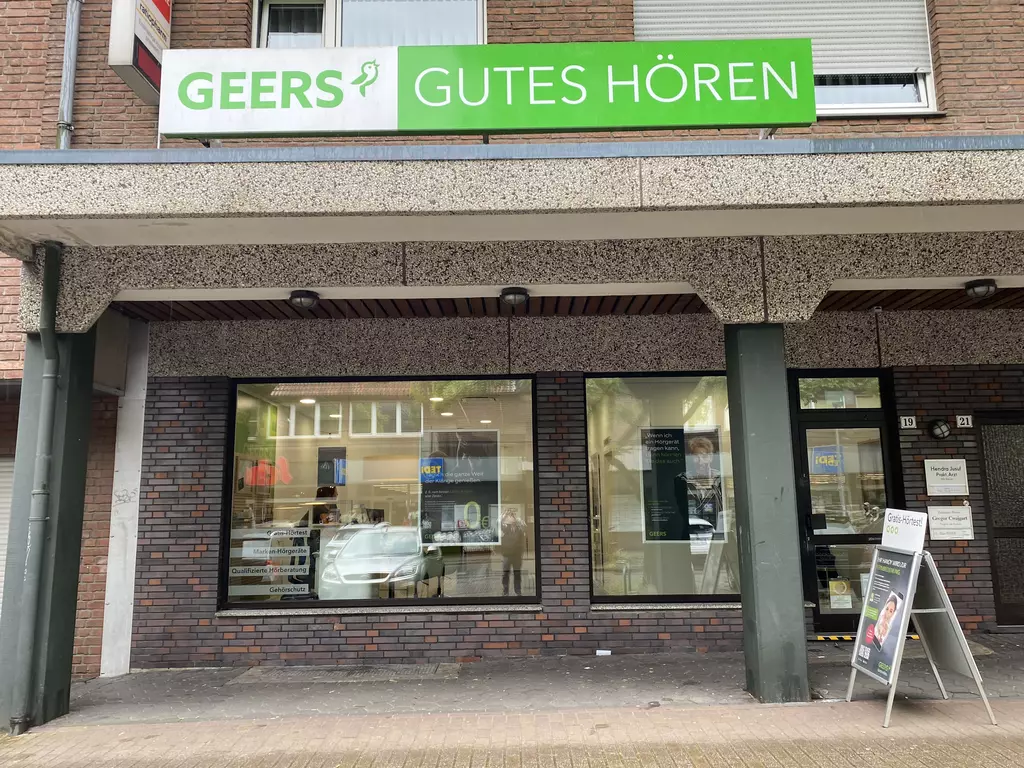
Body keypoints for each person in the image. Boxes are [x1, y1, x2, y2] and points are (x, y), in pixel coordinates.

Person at [499, 510, 527, 597]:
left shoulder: (520, 528)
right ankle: (505, 591)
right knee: (505, 574)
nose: (511, 518)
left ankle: (518, 591)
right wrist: (503, 516)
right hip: (507, 555)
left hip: (517, 555)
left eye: (513, 516)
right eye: (510, 516)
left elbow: (525, 529)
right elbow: (498, 523)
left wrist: (521, 552)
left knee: (517, 573)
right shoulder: (505, 528)